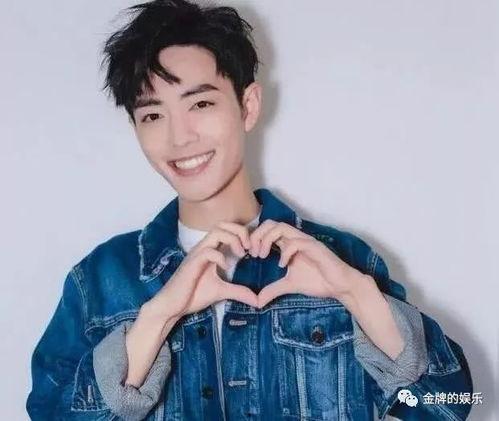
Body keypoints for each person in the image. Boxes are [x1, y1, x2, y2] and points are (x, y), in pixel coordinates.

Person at [26, 0, 473, 420]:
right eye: (153, 115)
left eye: (201, 103)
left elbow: (452, 404)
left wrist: (356, 294)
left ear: (248, 105)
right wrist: (157, 319)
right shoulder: (100, 282)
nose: (179, 137)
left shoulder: (343, 259)